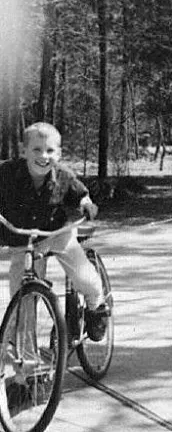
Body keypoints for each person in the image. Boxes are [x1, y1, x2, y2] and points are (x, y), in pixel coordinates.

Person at [0, 121, 109, 341]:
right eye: (37, 150)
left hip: (56, 233)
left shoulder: (63, 176)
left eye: (50, 150)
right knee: (23, 301)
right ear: (24, 151)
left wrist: (87, 204)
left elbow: (81, 195)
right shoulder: (7, 173)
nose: (44, 156)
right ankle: (28, 367)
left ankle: (96, 305)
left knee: (83, 277)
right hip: (24, 239)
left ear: (58, 153)